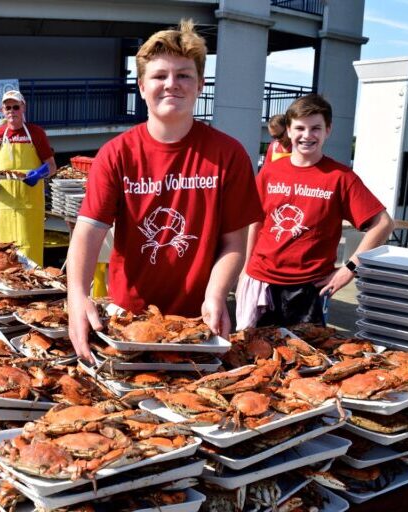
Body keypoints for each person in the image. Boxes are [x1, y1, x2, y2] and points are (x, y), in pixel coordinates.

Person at [67, 19, 262, 362]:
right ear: (141, 86)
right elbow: (88, 232)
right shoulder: (116, 154)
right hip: (129, 322)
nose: (172, 84)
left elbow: (234, 243)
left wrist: (217, 294)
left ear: (201, 84)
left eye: (184, 75)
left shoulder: (228, 154)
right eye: (159, 76)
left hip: (199, 320)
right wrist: (77, 298)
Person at [236, 94, 394, 329]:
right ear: (288, 130)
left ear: (327, 130)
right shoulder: (270, 172)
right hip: (261, 283)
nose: (307, 135)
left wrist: (349, 269)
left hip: (309, 288)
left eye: (315, 128)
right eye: (300, 128)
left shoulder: (340, 177)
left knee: (305, 360)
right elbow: (255, 223)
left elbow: (383, 224)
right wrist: (244, 271)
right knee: (255, 356)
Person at [0, 90, 56, 264]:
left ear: (23, 108)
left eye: (15, 107)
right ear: (2, 110)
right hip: (4, 205)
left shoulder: (36, 133)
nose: (11, 111)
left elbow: (52, 166)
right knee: (2, 253)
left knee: (29, 250)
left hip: (30, 205)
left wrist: (39, 174)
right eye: (8, 107)